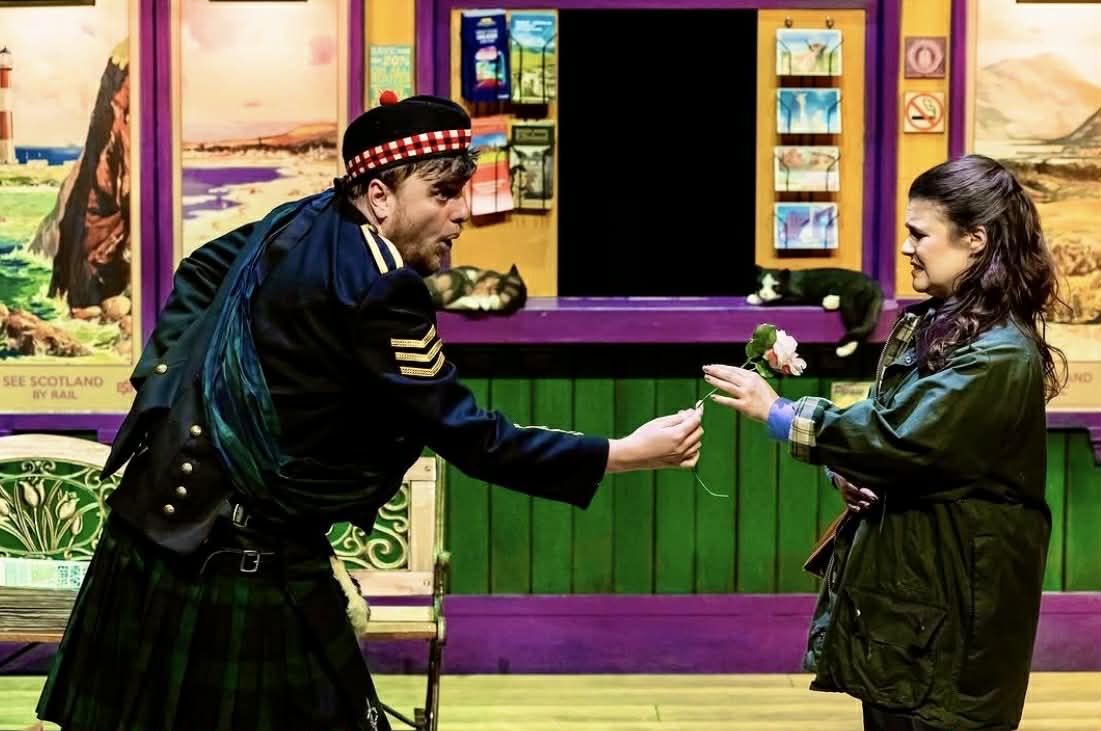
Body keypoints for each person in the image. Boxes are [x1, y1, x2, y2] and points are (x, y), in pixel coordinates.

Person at [36, 92, 703, 731]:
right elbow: (469, 436)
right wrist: (622, 453)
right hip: (234, 560)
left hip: (160, 532)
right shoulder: (380, 289)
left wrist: (170, 393)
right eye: (442, 194)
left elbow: (199, 269)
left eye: (462, 191)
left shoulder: (300, 217)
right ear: (379, 195)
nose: (461, 213)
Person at [702, 154, 1065, 731]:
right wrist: (850, 472)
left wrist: (781, 414)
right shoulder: (935, 323)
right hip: (911, 603)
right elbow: (900, 432)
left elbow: (900, 438)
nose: (905, 247)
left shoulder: (996, 353)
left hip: (959, 607)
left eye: (919, 234)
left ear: (975, 240)